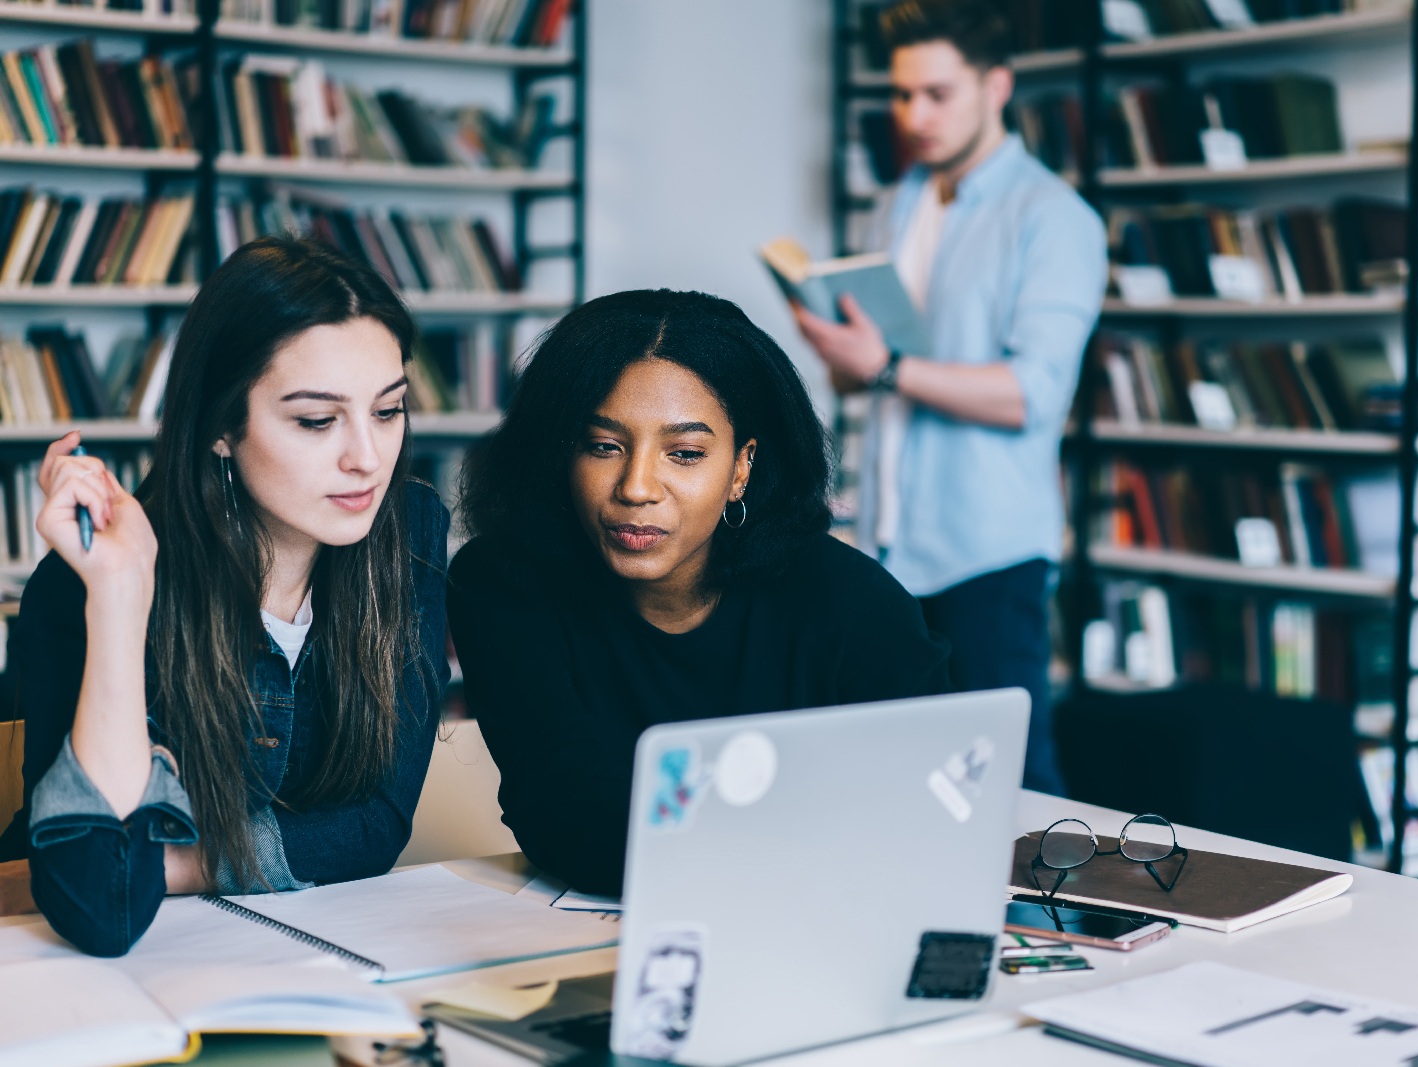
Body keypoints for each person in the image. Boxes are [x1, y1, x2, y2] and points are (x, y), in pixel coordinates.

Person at [4, 236, 449, 956]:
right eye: (317, 420)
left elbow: (377, 826)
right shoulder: (87, 580)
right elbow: (106, 906)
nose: (367, 457)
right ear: (219, 428)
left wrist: (174, 862)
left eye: (389, 410)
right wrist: (120, 596)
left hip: (295, 956)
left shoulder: (410, 532)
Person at [449, 289, 950, 896]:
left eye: (684, 454)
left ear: (742, 467)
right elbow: (567, 815)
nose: (636, 488)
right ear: (562, 453)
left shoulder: (853, 603)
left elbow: (926, 802)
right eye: (603, 446)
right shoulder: (503, 584)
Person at [792, 0, 1106, 796]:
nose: (915, 115)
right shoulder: (899, 202)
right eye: (902, 96)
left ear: (996, 86)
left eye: (937, 94)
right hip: (890, 543)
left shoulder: (1054, 218)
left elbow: (1032, 394)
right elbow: (873, 373)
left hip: (988, 554)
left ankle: (1058, 924)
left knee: (1015, 784)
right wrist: (843, 355)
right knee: (907, 778)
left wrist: (888, 364)